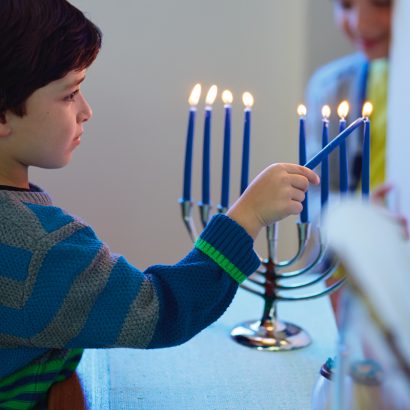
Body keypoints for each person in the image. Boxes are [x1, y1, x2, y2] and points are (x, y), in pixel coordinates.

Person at [0, 1, 320, 408]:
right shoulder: (38, 250)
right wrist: (247, 216)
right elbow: (160, 310)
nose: (86, 111)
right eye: (70, 93)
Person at [305, 0, 392, 319]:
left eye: (382, 3)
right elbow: (313, 193)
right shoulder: (331, 87)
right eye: (345, 4)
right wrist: (353, 220)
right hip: (338, 281)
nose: (359, 22)